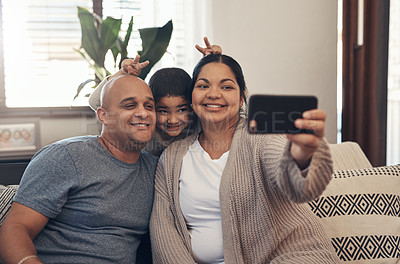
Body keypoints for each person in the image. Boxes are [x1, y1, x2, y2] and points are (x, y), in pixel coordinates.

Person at [149, 54, 341, 263]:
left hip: (293, 256)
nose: (213, 94)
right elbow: (164, 234)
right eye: (203, 86)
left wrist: (301, 157)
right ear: (192, 97)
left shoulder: (261, 137)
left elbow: (298, 184)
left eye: (226, 87)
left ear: (242, 98)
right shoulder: (171, 158)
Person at [0, 75, 158, 264]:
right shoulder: (66, 156)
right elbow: (15, 228)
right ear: (103, 116)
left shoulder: (157, 170)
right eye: (129, 105)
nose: (143, 113)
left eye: (149, 106)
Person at [89, 37, 222, 156]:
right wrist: (122, 73)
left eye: (182, 110)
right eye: (163, 111)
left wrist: (212, 63)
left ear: (192, 106)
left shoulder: (198, 122)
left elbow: (221, 102)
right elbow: (95, 102)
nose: (173, 120)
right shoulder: (145, 124)